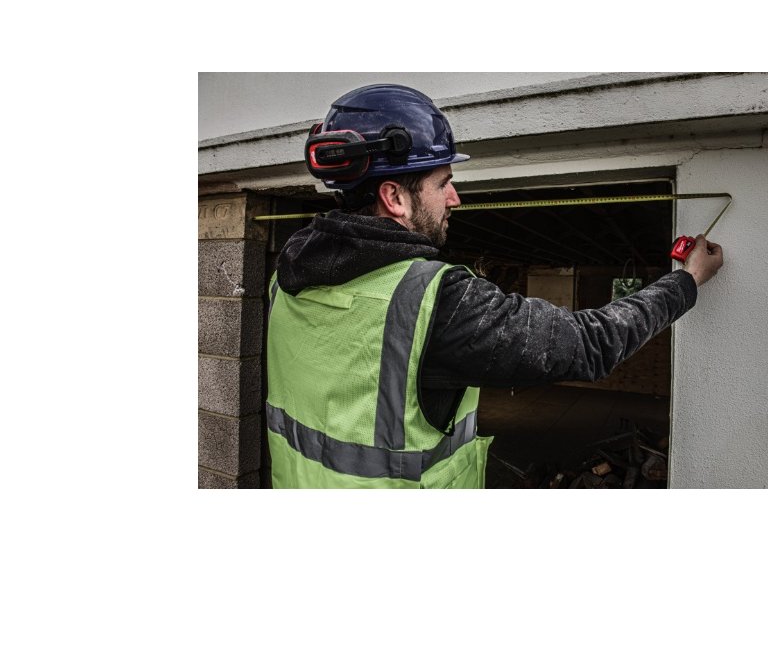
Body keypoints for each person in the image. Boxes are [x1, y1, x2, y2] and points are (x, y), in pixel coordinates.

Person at [265, 84, 724, 488]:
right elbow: (590, 344)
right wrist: (687, 280)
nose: (455, 198)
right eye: (443, 183)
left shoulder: (283, 285)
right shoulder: (434, 301)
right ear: (395, 197)